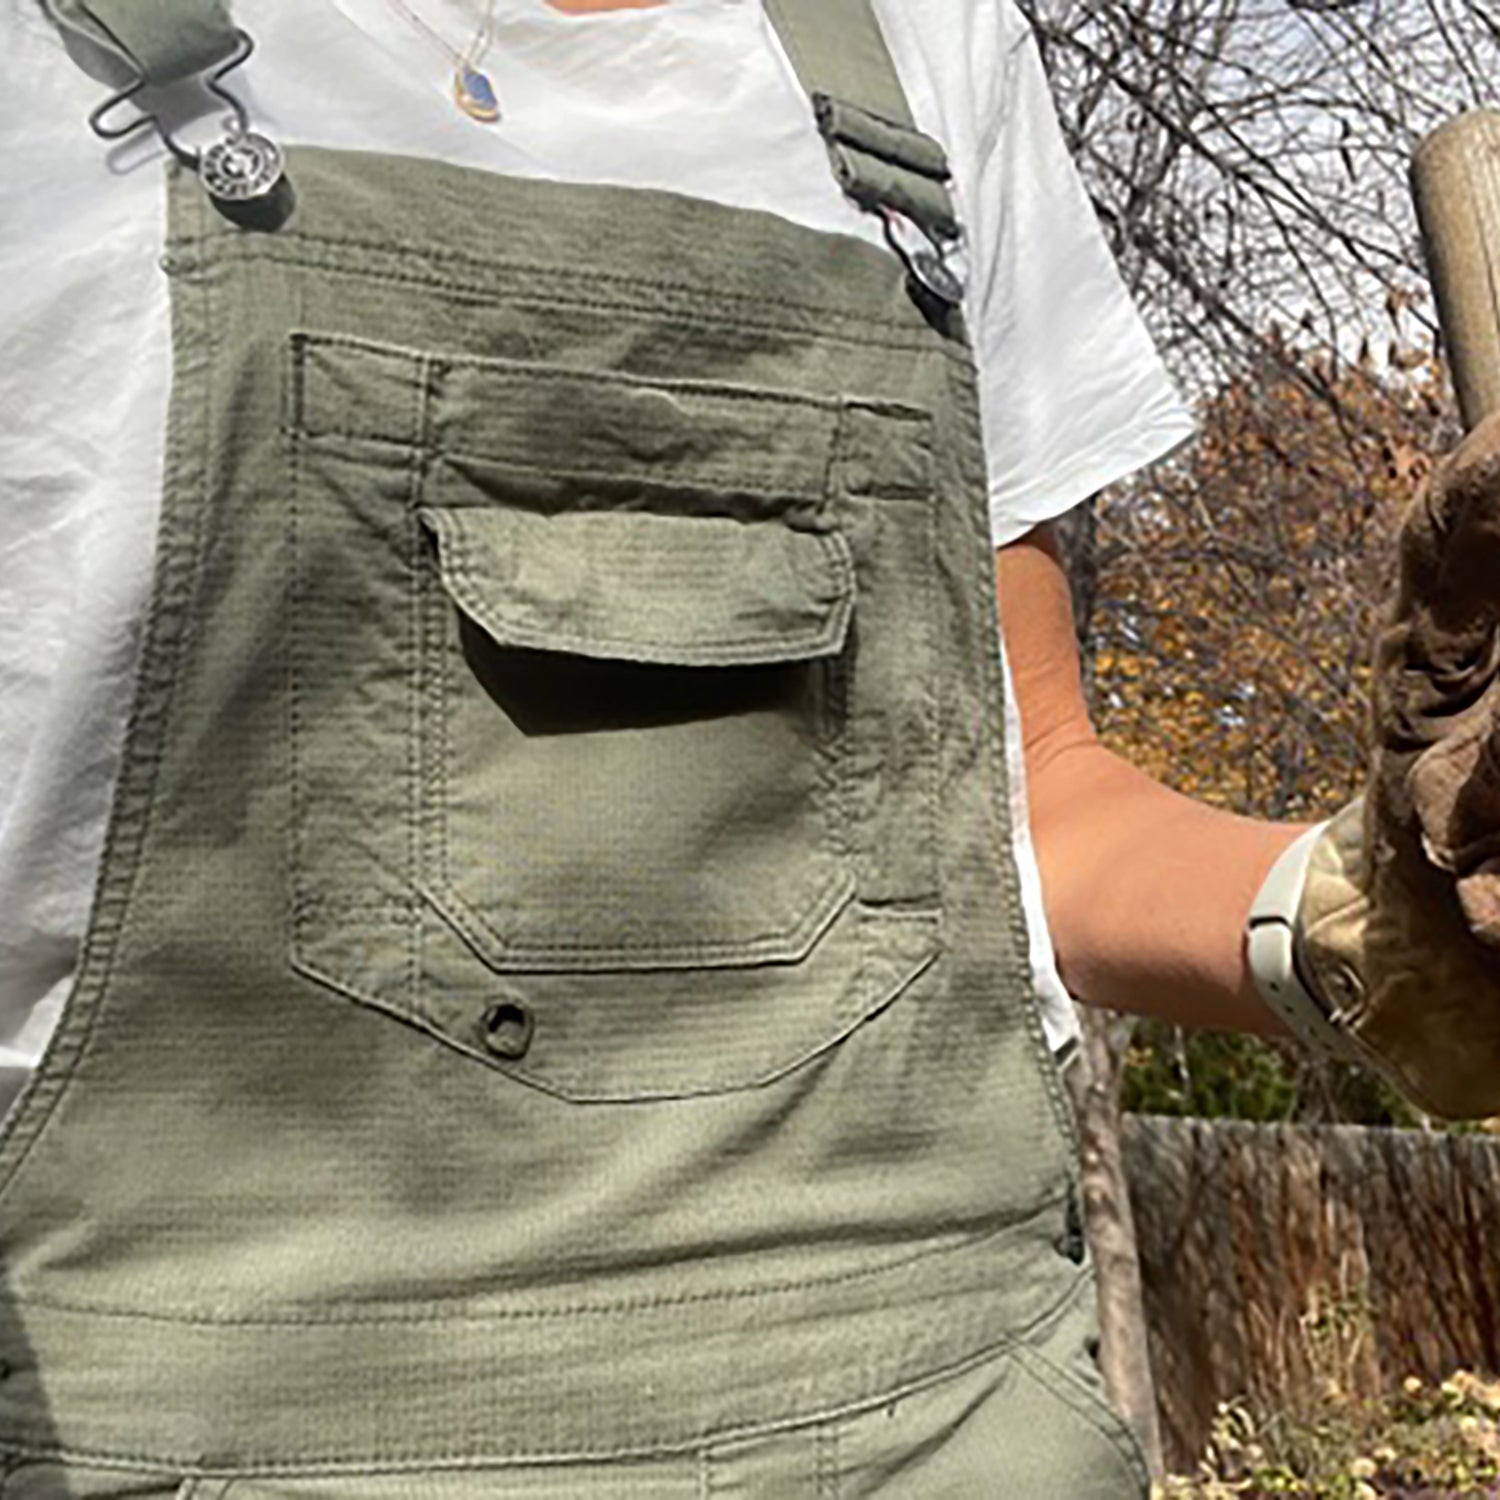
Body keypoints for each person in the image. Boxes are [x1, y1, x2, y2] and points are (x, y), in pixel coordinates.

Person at [2, 0, 1493, 1492]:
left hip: (940, 1414)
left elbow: (1035, 809)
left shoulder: (929, 44)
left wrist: (1363, 910)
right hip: (212, 1428)